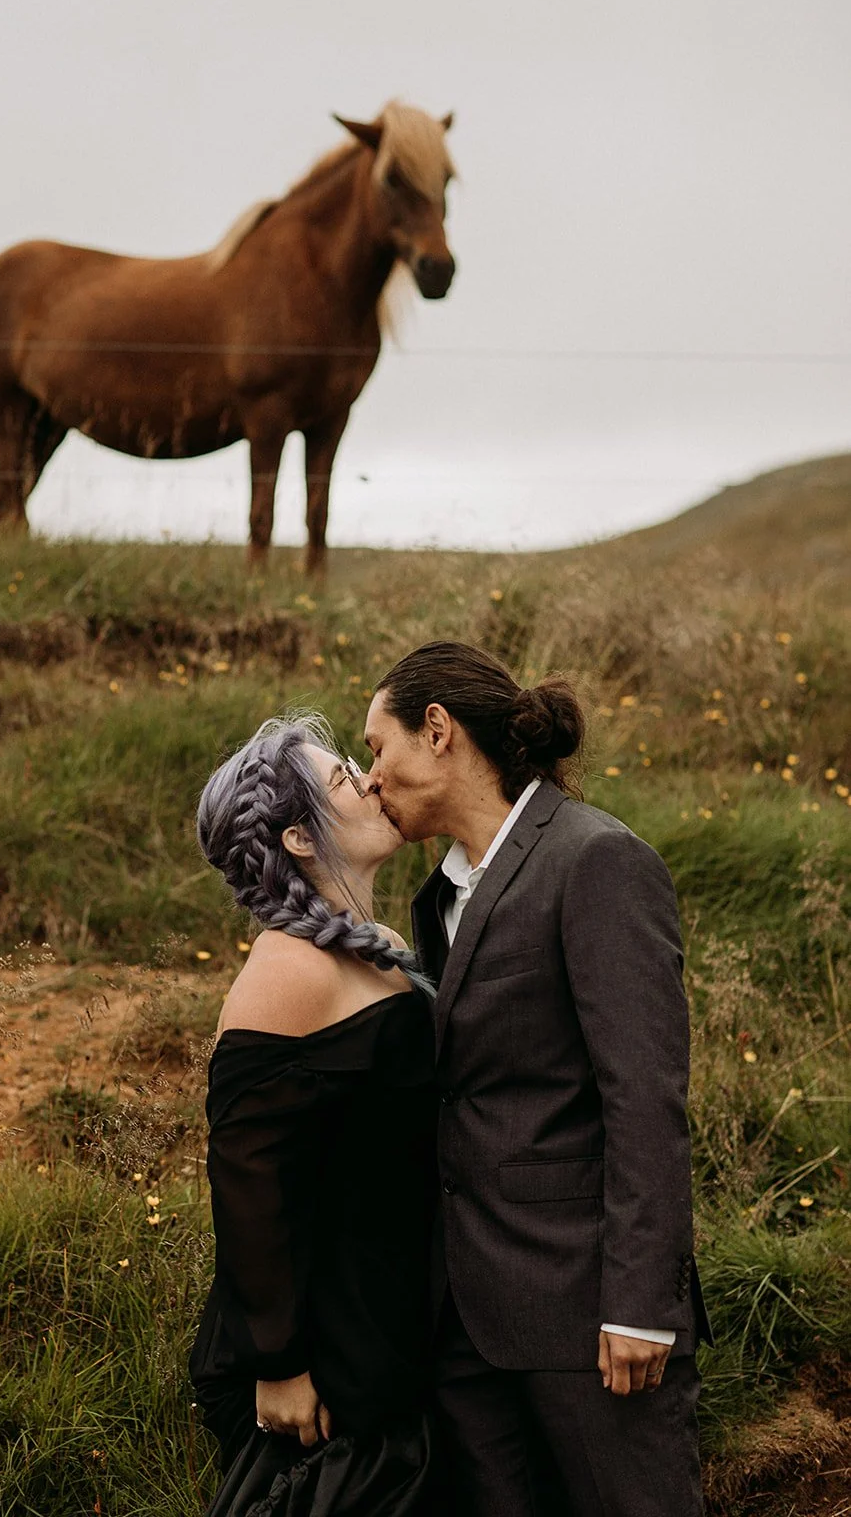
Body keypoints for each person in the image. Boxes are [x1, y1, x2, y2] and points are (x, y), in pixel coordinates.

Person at [364, 641, 712, 1517]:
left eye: (377, 747)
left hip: (587, 1316)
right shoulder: (437, 895)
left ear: (436, 731)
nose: (371, 777)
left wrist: (640, 1307)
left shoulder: (594, 860)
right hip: (465, 1320)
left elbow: (643, 1095)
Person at [188, 714, 441, 1516]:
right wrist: (278, 1364)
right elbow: (246, 1175)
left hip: (382, 1311)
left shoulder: (374, 945)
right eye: (342, 780)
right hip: (321, 1351)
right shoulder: (286, 969)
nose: (369, 780)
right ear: (300, 839)